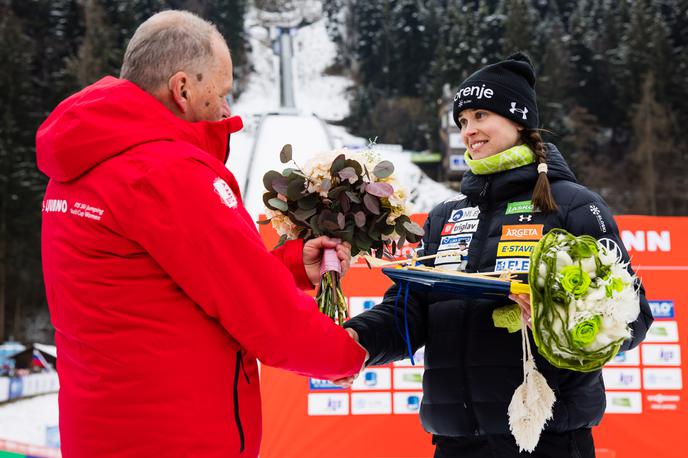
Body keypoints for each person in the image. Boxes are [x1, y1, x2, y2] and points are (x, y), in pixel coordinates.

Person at [36, 10, 366, 458]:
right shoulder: (165, 170)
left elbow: (176, 282)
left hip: (107, 429)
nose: (227, 109)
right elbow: (259, 308)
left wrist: (291, 266)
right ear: (183, 88)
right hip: (176, 435)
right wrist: (342, 354)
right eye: (223, 91)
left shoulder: (84, 161)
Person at [341, 53, 653, 457]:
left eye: (480, 115)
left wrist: (554, 317)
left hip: (546, 439)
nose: (469, 130)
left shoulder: (572, 206)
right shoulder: (444, 217)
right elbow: (409, 311)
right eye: (463, 121)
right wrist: (356, 340)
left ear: (518, 120)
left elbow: (633, 317)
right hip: (456, 441)